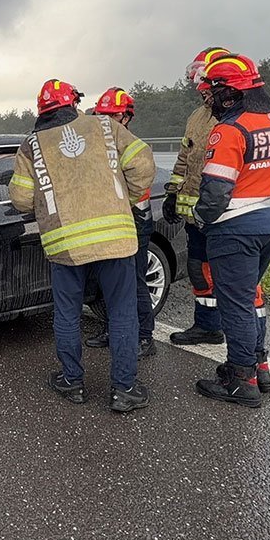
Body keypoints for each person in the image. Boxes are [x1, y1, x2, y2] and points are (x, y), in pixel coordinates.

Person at [11, 79, 155, 413]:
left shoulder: (31, 144)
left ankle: (72, 382)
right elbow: (143, 164)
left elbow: (20, 199)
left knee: (67, 315)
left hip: (66, 244)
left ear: (41, 110)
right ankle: (124, 390)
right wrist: (126, 198)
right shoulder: (105, 126)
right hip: (116, 240)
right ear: (73, 103)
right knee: (122, 314)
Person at [191, 54, 270, 407]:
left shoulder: (230, 131)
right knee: (250, 297)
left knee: (235, 305)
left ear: (228, 94)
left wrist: (201, 218)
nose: (209, 101)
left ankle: (241, 380)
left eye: (212, 93)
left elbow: (215, 192)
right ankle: (259, 366)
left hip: (235, 229)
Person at [163, 47, 232, 346]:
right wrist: (172, 194)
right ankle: (207, 326)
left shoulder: (236, 117)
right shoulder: (197, 117)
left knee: (230, 276)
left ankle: (242, 338)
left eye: (204, 83)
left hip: (225, 215)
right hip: (196, 216)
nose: (200, 90)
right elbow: (185, 158)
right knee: (198, 270)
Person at [84, 88, 156, 358]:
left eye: (112, 117)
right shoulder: (98, 145)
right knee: (107, 279)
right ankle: (112, 329)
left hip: (135, 220)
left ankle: (145, 337)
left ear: (126, 118)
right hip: (109, 221)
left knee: (134, 280)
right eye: (101, 116)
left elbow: (138, 187)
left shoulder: (133, 146)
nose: (105, 122)